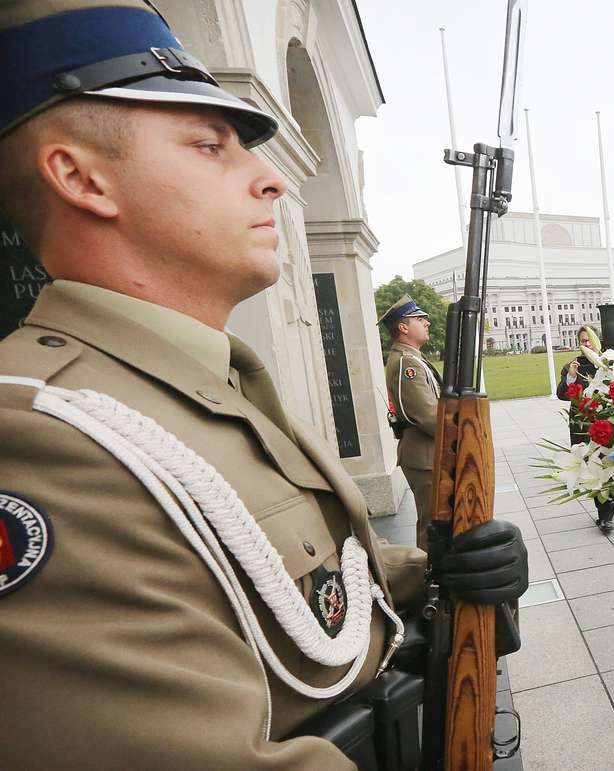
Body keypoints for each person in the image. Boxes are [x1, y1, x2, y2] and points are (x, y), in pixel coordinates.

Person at [0, 3, 527, 768]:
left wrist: (426, 571)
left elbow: (285, 578)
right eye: (210, 146)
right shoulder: (39, 435)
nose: (273, 181)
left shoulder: (215, 378)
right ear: (81, 178)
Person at [380, 295, 441, 550]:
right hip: (424, 455)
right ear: (403, 327)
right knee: (433, 525)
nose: (426, 323)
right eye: (419, 319)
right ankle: (430, 581)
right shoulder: (407, 363)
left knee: (437, 521)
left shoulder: (412, 357)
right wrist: (461, 434)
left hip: (426, 453)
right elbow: (427, 416)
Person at [556, 324, 614, 534]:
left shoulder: (609, 362)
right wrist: (571, 377)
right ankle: (602, 511)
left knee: (607, 466)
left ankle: (606, 516)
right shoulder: (572, 366)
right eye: (583, 341)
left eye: (590, 339)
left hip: (605, 424)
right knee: (591, 469)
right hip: (582, 425)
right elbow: (562, 394)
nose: (587, 344)